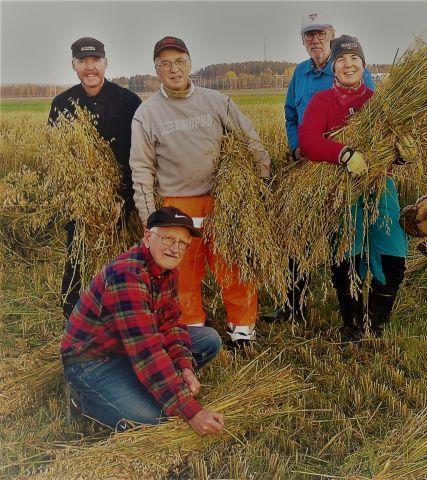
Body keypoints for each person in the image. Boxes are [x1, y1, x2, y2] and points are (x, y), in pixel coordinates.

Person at [129, 36, 271, 347]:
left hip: (222, 200)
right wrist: (150, 217)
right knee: (183, 274)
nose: (173, 69)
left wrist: (263, 182)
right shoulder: (147, 114)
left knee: (232, 265)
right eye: (165, 64)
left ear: (190, 63)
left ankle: (242, 329)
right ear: (157, 70)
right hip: (176, 206)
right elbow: (141, 170)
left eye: (179, 61)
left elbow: (251, 140)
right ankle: (193, 330)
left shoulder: (217, 102)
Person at [61, 207, 224, 435]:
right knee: (152, 419)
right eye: (168, 239)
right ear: (148, 237)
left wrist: (184, 367)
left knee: (209, 339)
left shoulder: (166, 269)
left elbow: (171, 324)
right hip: (92, 360)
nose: (175, 249)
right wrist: (191, 412)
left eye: (182, 243)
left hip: (126, 349)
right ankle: (85, 400)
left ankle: (146, 384)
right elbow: (146, 351)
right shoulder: (127, 276)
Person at [298, 36, 417, 340]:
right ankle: (351, 325)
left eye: (354, 59)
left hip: (381, 187)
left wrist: (404, 154)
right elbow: (309, 141)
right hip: (343, 191)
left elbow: (395, 144)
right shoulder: (323, 101)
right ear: (333, 68)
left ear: (363, 65)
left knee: (393, 254)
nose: (348, 64)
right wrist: (344, 154)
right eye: (341, 60)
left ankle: (375, 324)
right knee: (346, 255)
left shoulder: (380, 103)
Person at [266, 13, 375, 323]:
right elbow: (290, 113)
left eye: (320, 33)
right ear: (303, 40)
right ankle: (293, 306)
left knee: (340, 238)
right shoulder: (300, 73)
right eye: (309, 35)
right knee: (296, 235)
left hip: (342, 171)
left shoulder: (350, 67)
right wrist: (295, 146)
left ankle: (351, 307)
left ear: (332, 35)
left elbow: (372, 116)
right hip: (306, 166)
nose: (315, 40)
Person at [49, 37, 142, 319]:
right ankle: (76, 318)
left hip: (124, 200)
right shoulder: (63, 104)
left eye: (95, 61)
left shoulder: (128, 101)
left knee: (125, 262)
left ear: (105, 63)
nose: (90, 68)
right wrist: (80, 200)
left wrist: (122, 200)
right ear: (74, 65)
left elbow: (140, 152)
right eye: (82, 62)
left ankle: (127, 313)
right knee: (78, 260)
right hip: (83, 202)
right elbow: (59, 158)